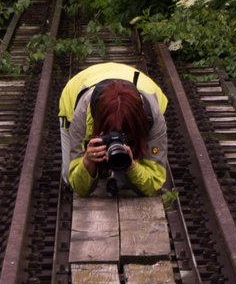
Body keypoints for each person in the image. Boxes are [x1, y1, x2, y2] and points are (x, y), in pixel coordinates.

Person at [59, 61, 169, 197]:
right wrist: (87, 160)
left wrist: (131, 165)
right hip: (76, 92)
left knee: (127, 178)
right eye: (108, 133)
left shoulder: (153, 116)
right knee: (69, 178)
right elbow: (79, 188)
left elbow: (153, 181)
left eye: (124, 134)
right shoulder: (81, 114)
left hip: (141, 95)